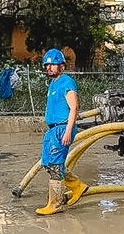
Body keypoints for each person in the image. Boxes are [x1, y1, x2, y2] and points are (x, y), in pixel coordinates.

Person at [35, 48, 88, 215]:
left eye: (53, 64)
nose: (49, 67)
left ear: (62, 67)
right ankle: (77, 186)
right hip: (52, 130)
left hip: (62, 128)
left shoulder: (67, 82)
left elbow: (74, 108)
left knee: (55, 165)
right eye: (47, 65)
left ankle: (56, 203)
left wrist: (67, 131)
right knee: (47, 163)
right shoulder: (53, 83)